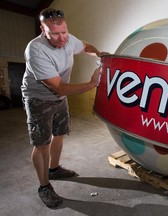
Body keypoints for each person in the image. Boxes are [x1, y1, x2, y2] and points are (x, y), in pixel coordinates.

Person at [21, 8, 108, 209]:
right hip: (38, 99)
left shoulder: (68, 39)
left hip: (61, 97)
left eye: (64, 32)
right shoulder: (35, 50)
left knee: (59, 133)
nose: (62, 39)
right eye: (55, 34)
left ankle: (54, 168)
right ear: (43, 31)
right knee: (42, 143)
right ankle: (44, 186)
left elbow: (85, 46)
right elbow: (58, 86)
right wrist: (92, 83)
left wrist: (98, 53)